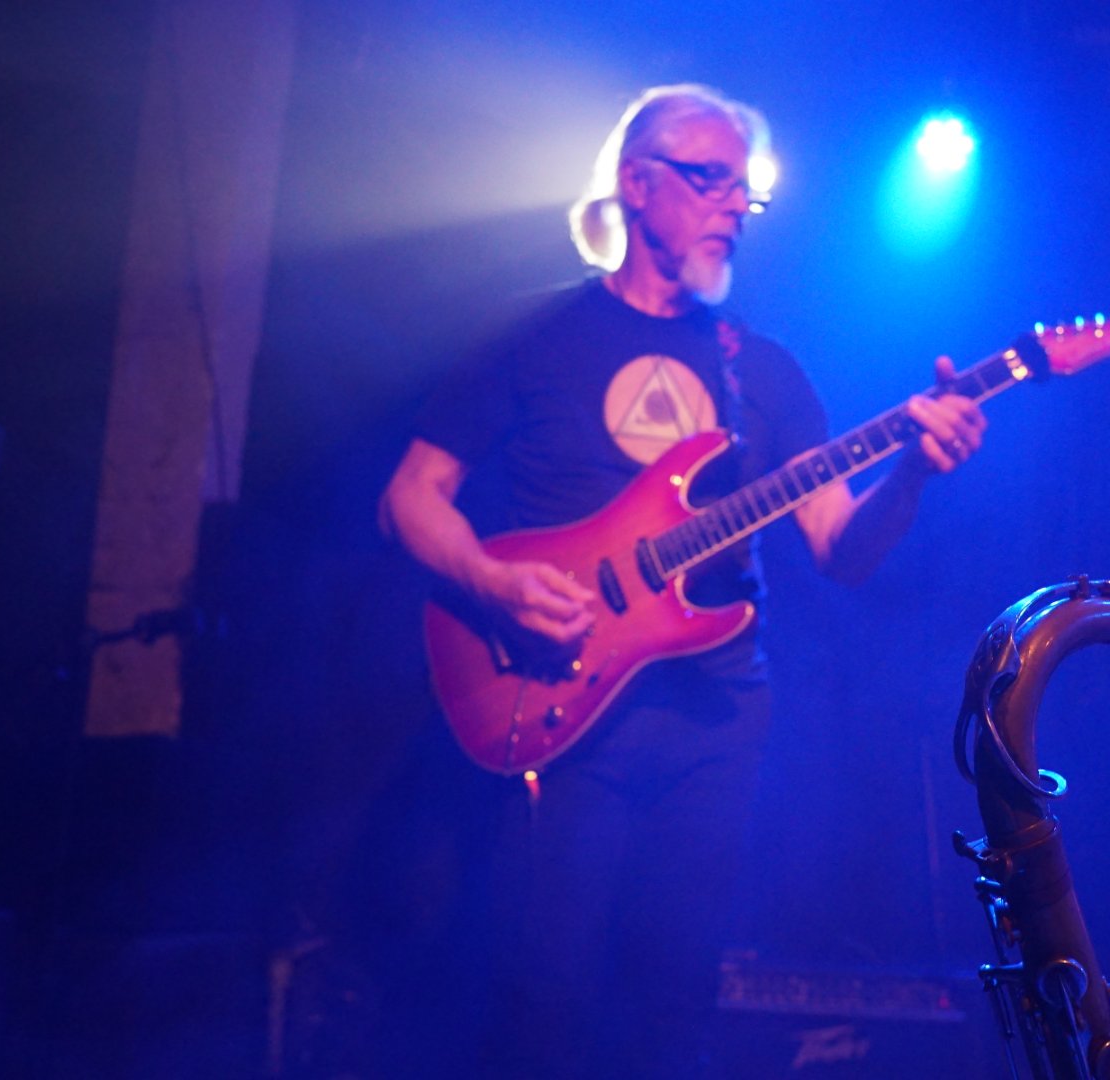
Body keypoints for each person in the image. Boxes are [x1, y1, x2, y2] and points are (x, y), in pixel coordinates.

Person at [376, 84, 987, 1078]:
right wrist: (493, 585)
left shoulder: (762, 371)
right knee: (545, 995)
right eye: (710, 181)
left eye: (745, 191)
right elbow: (411, 497)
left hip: (716, 717)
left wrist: (912, 473)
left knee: (674, 999)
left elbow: (841, 548)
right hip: (560, 697)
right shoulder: (535, 336)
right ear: (636, 183)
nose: (734, 206)